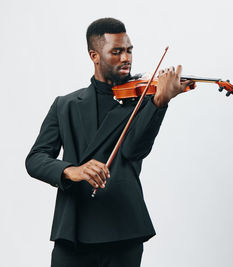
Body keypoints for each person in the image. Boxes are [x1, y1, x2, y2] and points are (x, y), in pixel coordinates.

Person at [25, 17, 194, 267]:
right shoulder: (66, 105)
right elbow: (36, 159)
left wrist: (159, 102)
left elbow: (134, 151)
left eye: (128, 50)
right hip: (74, 228)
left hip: (122, 227)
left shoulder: (143, 101)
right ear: (94, 55)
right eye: (116, 52)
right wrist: (72, 170)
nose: (126, 58)